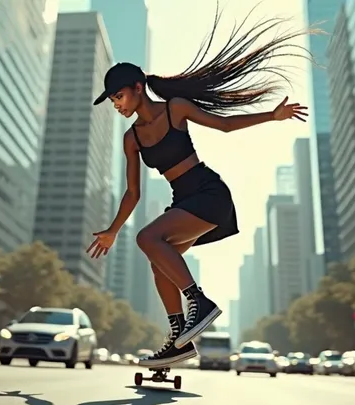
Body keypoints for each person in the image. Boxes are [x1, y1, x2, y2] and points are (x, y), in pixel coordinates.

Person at [85, 11, 311, 368]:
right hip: (184, 204)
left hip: (209, 195)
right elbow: (133, 194)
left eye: (119, 96)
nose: (117, 104)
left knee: (147, 238)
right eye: (113, 101)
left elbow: (225, 125)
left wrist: (272, 115)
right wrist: (113, 230)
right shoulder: (132, 139)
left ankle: (198, 303)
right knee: (159, 263)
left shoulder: (176, 109)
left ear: (138, 88)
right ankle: (178, 341)